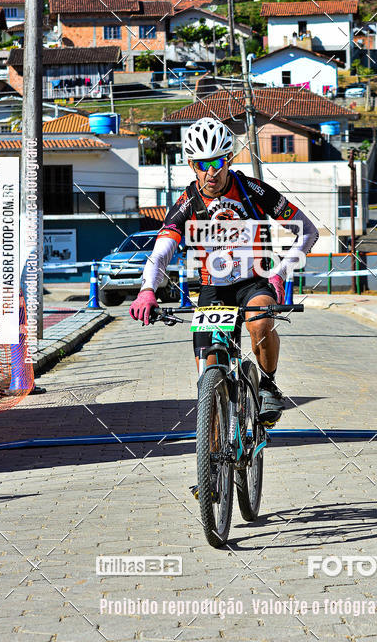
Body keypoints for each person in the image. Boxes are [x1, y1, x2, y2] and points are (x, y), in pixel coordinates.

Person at [129, 116, 319, 427]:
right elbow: (162, 249)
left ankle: (268, 384)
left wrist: (281, 273)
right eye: (202, 164)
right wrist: (147, 289)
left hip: (254, 281)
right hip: (212, 290)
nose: (210, 171)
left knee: (259, 320)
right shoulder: (187, 202)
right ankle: (214, 460)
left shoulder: (254, 191)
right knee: (209, 382)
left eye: (217, 161)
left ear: (228, 159)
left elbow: (309, 231)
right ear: (192, 164)